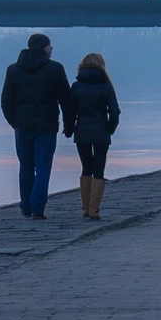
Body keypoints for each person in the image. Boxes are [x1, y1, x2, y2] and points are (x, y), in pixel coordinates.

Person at [0, 32, 73, 218]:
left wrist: (15, 123)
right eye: (50, 45)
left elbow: (6, 101)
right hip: (46, 127)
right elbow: (66, 99)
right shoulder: (55, 69)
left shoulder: (13, 70)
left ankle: (25, 205)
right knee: (43, 167)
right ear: (43, 47)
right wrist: (69, 123)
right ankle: (37, 208)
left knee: (25, 166)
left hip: (22, 127)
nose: (52, 48)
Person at [67, 52, 121, 220]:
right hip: (101, 132)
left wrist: (69, 129)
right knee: (99, 168)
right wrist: (109, 129)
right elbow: (114, 112)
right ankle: (94, 209)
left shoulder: (76, 86)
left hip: (82, 131)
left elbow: (70, 111)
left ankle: (85, 208)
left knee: (86, 167)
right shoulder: (106, 86)